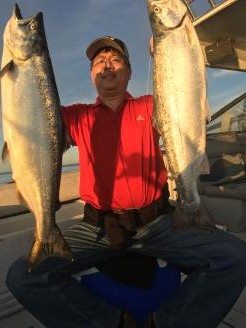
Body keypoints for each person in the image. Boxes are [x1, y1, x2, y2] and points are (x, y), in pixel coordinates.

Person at [6, 36, 246, 328]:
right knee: (23, 277)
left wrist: (170, 54)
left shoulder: (152, 106)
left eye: (115, 60)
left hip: (157, 223)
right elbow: (30, 113)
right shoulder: (76, 116)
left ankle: (165, 323)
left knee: (235, 257)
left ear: (129, 71)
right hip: (98, 228)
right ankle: (113, 323)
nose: (107, 66)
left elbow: (184, 94)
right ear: (92, 75)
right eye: (98, 62)